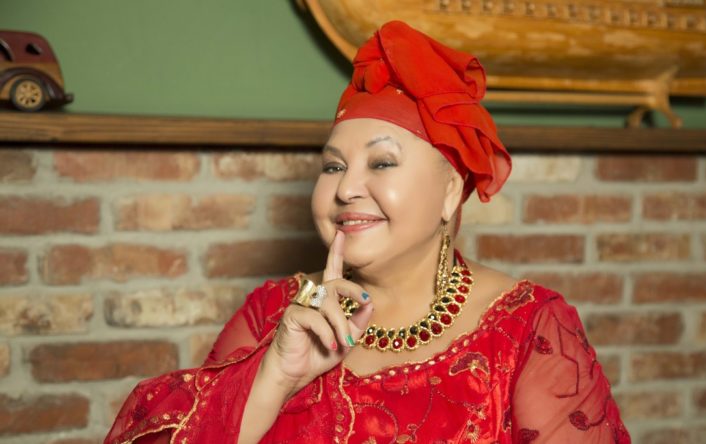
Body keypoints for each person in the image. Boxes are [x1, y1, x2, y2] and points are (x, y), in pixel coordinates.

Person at [105, 20, 630, 444]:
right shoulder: (272, 313)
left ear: (451, 191)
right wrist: (273, 379)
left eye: (381, 163)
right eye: (333, 166)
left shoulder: (528, 329)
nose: (345, 189)